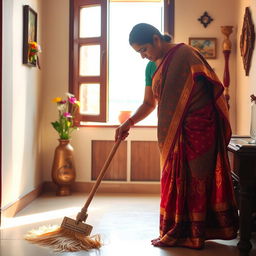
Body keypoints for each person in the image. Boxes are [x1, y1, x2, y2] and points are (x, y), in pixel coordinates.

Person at [115, 23, 238, 249]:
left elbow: (213, 86)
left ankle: (198, 233)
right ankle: (177, 230)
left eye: (144, 50)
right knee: (176, 181)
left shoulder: (187, 54)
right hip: (172, 132)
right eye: (138, 53)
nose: (143, 56)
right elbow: (148, 103)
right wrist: (128, 122)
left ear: (156, 39)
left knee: (198, 180)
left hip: (200, 130)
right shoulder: (151, 68)